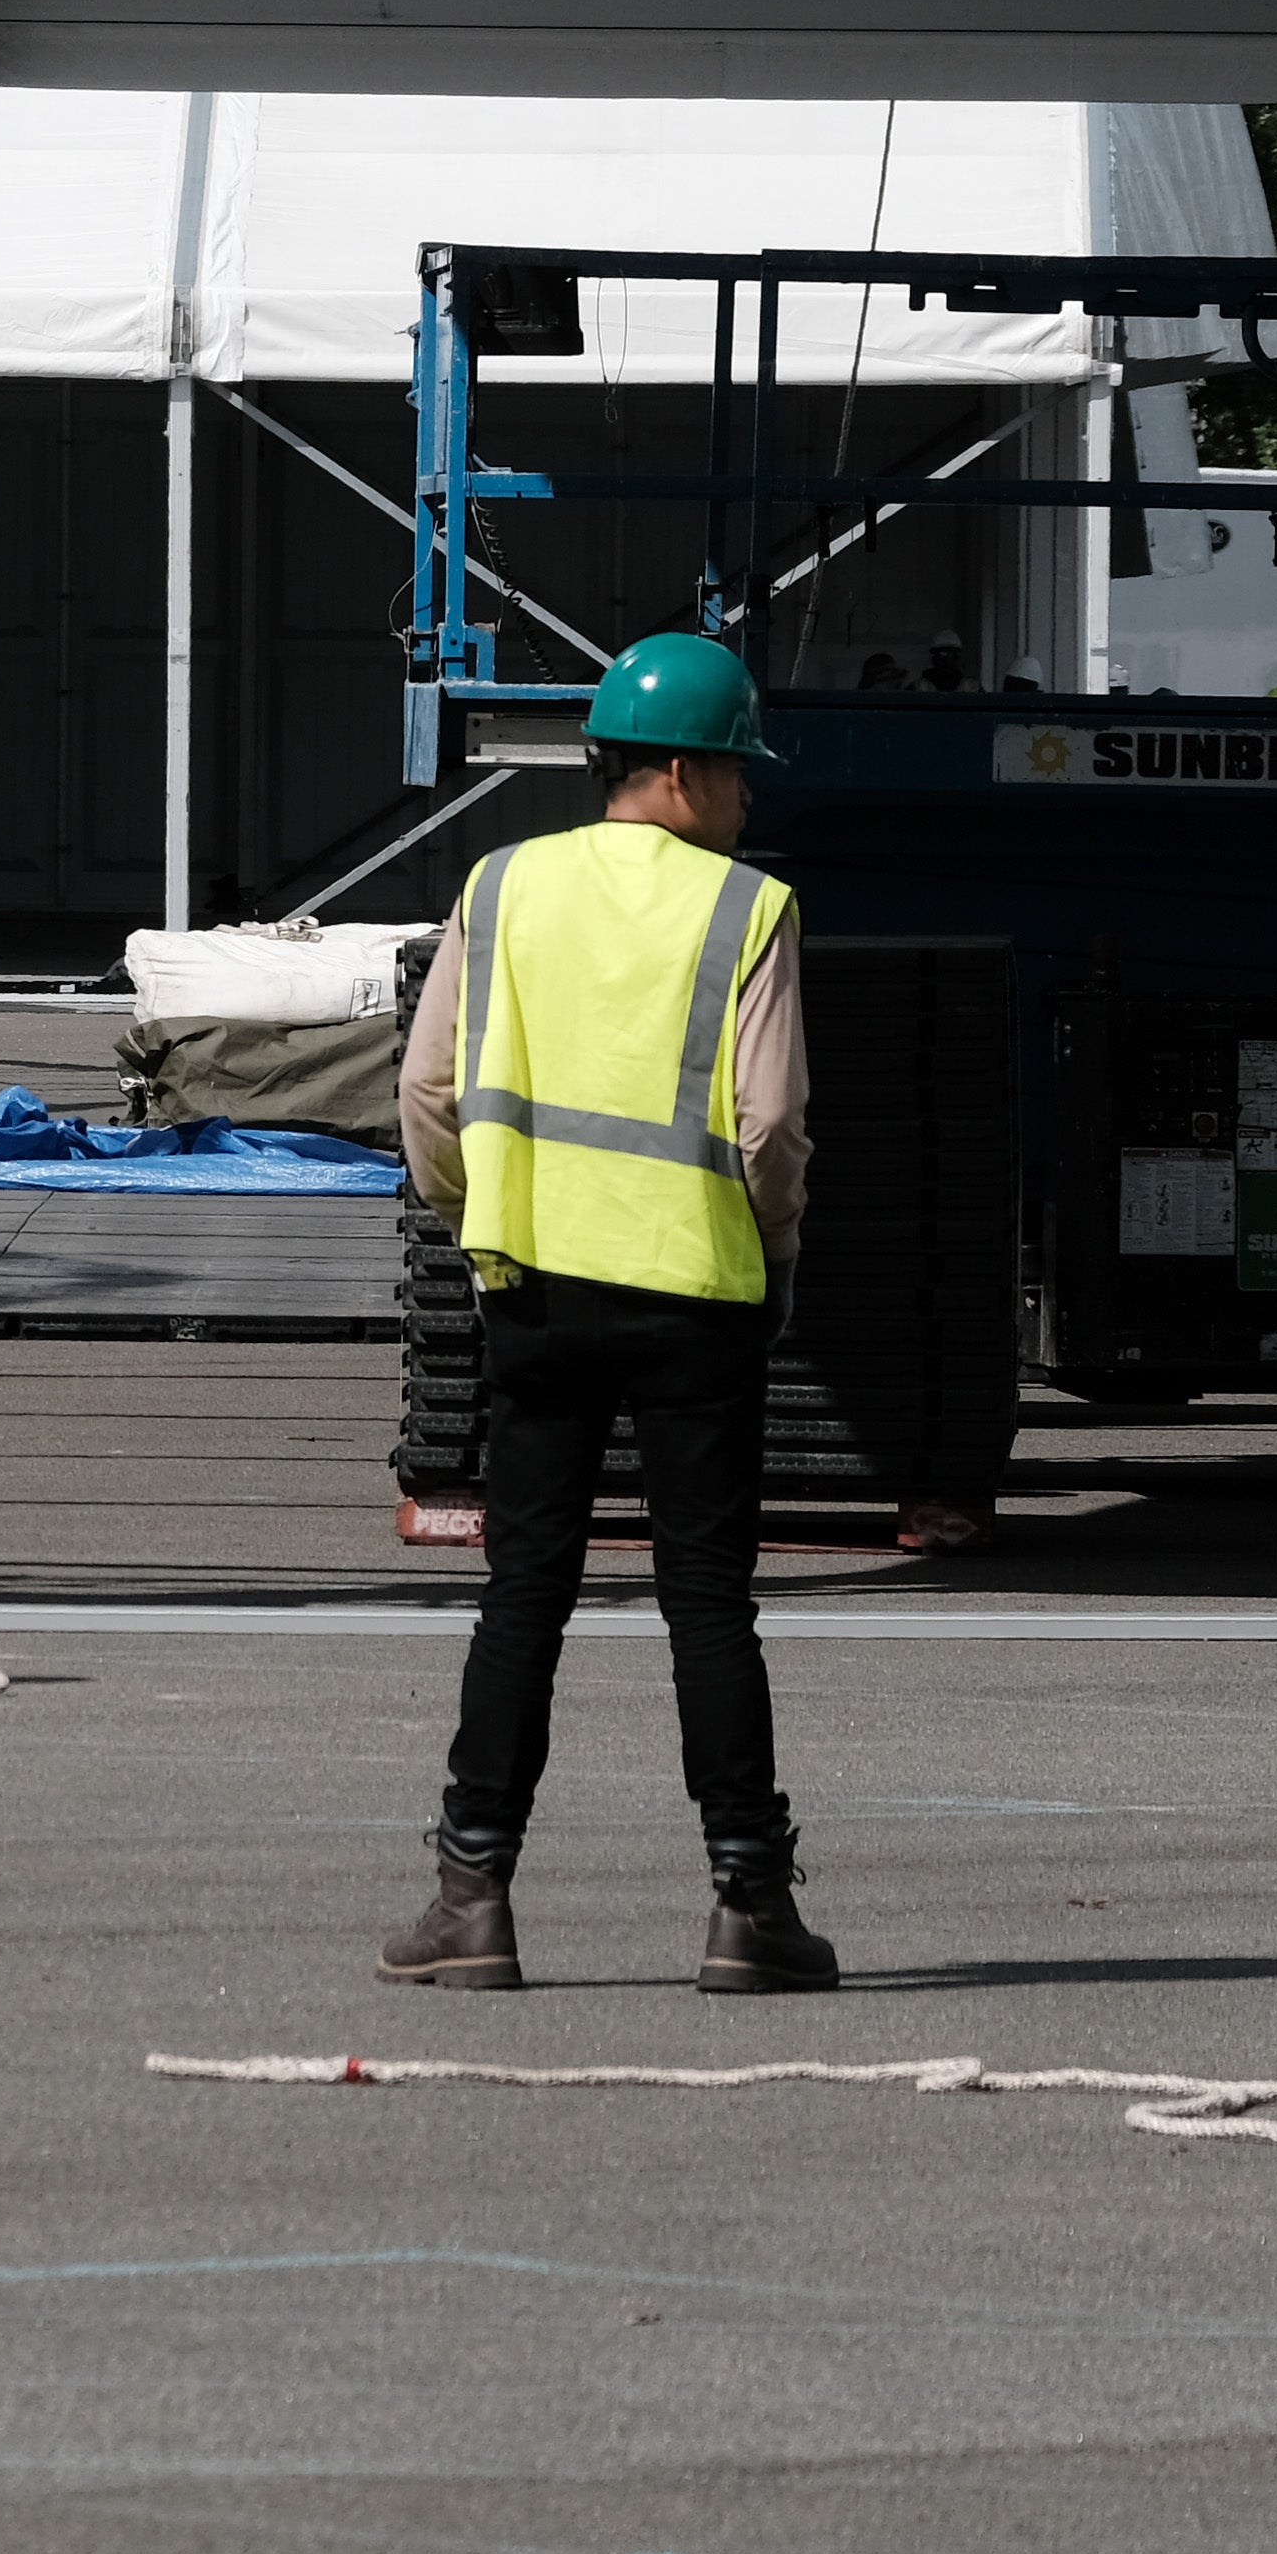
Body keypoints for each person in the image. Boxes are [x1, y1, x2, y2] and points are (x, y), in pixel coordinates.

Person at [381, 630, 831, 1999]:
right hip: (696, 1303)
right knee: (709, 1604)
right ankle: (748, 1909)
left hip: (537, 1294)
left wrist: (483, 1212)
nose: (751, 798)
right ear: (686, 776)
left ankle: (471, 1899)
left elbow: (425, 1097)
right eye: (741, 772)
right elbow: (772, 1128)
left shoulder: (500, 886)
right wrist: (771, 1253)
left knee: (524, 1595)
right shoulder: (748, 908)